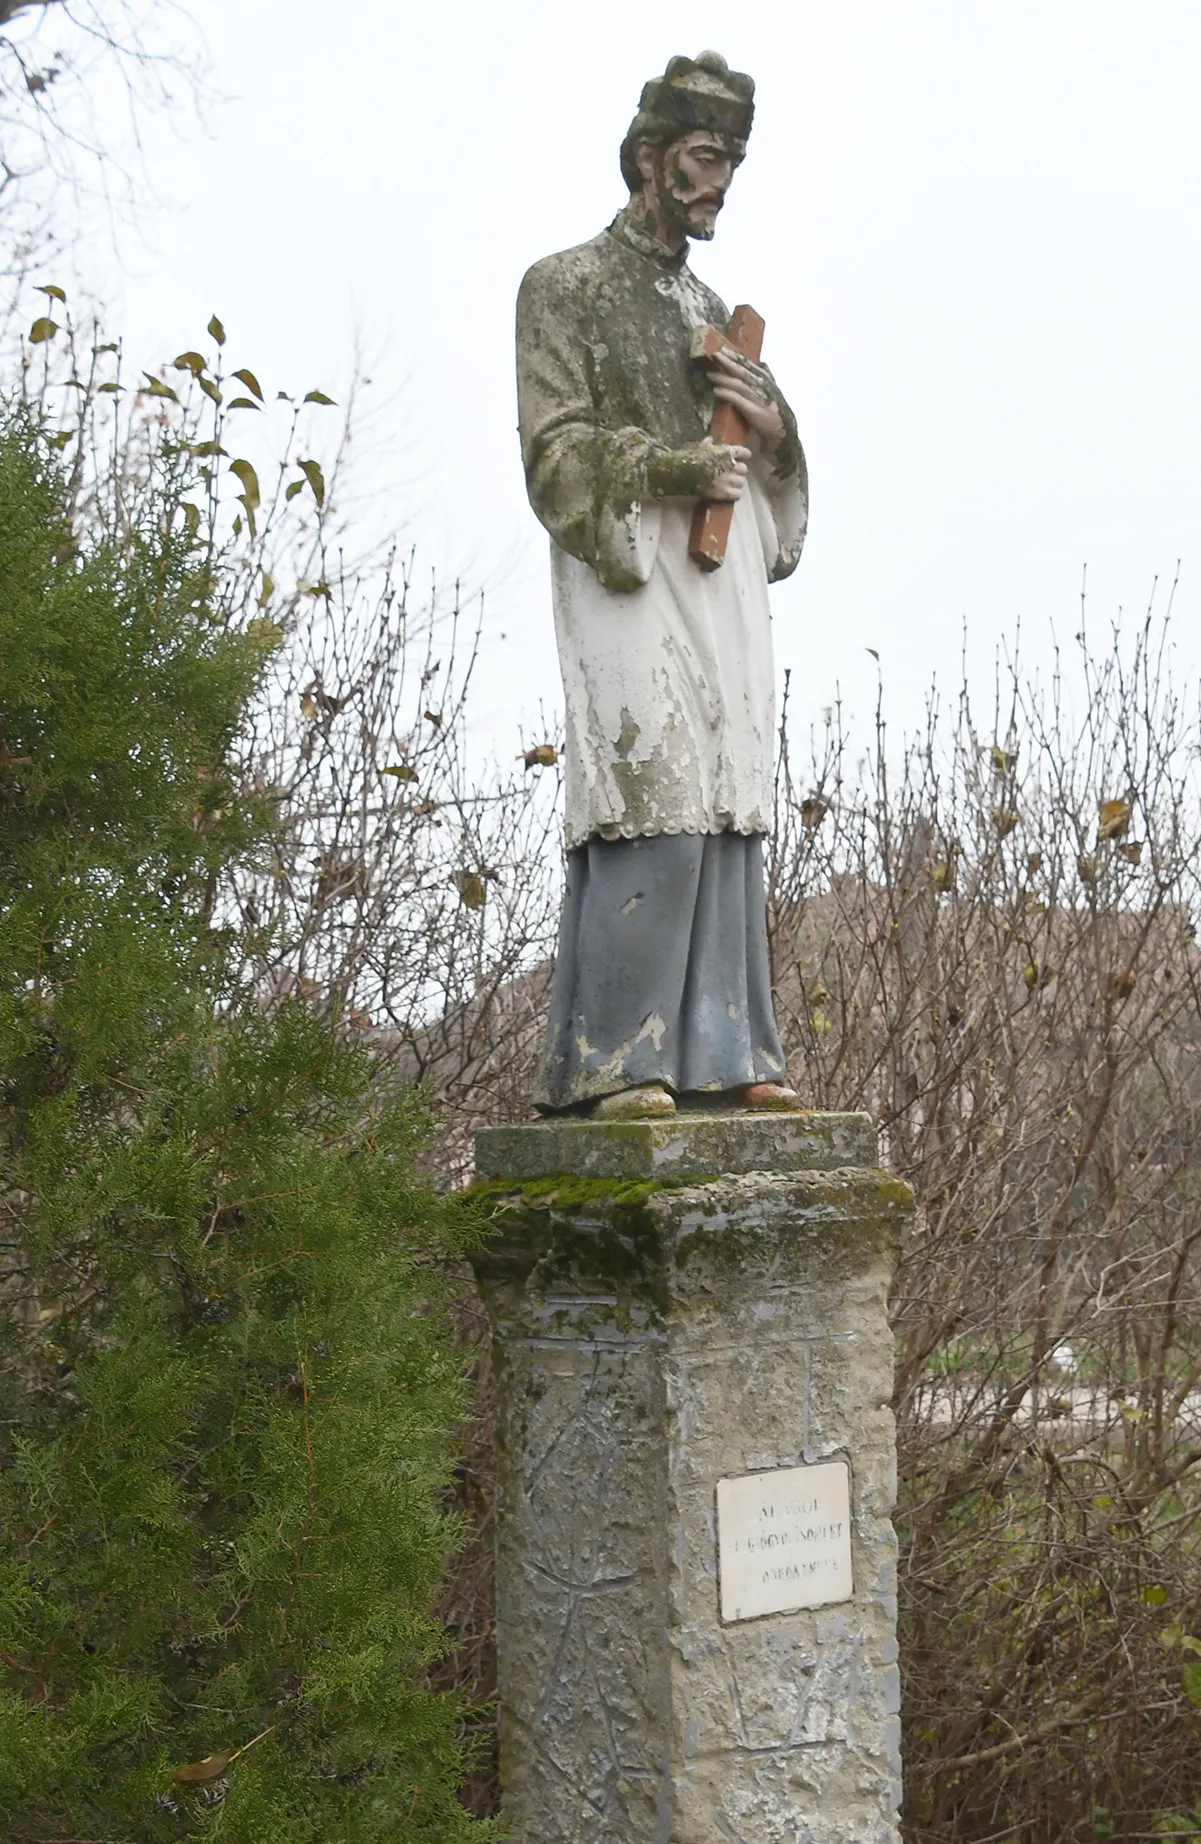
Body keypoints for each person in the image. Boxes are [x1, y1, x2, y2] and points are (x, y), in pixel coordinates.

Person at [515, 50, 806, 1117]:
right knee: (653, 788)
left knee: (728, 797)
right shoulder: (564, 288)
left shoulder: (717, 311)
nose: (717, 182)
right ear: (647, 157)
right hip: (628, 572)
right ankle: (617, 1059)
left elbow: (772, 495)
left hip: (720, 583)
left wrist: (769, 426)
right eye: (700, 156)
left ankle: (728, 1053)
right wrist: (674, 468)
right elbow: (555, 457)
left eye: (729, 162)